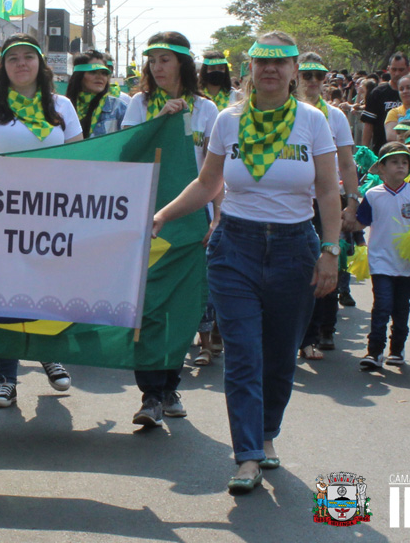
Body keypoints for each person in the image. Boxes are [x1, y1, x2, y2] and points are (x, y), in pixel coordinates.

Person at [150, 31, 340, 494]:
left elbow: (329, 190)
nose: (271, 71)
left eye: (281, 63)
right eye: (262, 63)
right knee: (242, 354)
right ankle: (248, 454)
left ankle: (267, 432)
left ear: (294, 70)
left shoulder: (313, 122)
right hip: (234, 246)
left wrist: (330, 251)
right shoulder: (229, 121)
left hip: (295, 249)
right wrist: (160, 216)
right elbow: (208, 182)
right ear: (249, 70)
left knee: (278, 357)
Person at [0, 33, 81, 408]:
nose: (22, 64)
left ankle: (48, 355)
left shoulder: (61, 106)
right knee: (1, 296)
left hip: (49, 216)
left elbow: (81, 159)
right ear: (4, 66)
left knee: (46, 290)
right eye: (14, 59)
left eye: (29, 57)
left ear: (41, 65)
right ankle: (5, 380)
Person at [121, 31, 220, 424]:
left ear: (183, 64)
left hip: (190, 221)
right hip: (144, 217)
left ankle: (170, 386)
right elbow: (126, 152)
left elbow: (215, 172)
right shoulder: (139, 104)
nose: (158, 67)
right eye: (153, 60)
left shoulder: (206, 110)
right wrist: (158, 122)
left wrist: (218, 215)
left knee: (181, 306)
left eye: (165, 59)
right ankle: (149, 395)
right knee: (145, 307)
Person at [296, 52, 360, 358]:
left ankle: (325, 328)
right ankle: (304, 335)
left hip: (327, 199)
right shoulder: (286, 113)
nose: (311, 82)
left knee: (329, 259)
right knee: (300, 269)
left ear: (326, 80)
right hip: (295, 199)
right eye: (306, 75)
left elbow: (347, 163)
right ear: (296, 77)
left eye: (318, 76)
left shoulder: (335, 116)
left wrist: (352, 202)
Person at [355, 143, 410, 369]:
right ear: (381, 168)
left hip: (407, 262)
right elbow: (359, 221)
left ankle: (396, 349)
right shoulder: (372, 195)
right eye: (394, 162)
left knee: (401, 308)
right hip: (380, 260)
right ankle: (374, 352)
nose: (400, 166)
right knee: (382, 305)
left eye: (404, 162)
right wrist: (344, 214)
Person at [64, 50, 128, 138]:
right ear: (79, 75)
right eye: (93, 72)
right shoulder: (62, 108)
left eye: (104, 73)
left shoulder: (119, 109)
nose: (100, 77)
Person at [361, 53, 408, 153]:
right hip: (382, 150)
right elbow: (368, 124)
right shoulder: (378, 92)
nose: (397, 73)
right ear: (389, 69)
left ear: (408, 69)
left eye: (401, 70)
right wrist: (364, 150)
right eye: (394, 69)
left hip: (407, 150)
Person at [384, 74, 410, 142]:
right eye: (401, 89)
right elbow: (390, 136)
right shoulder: (394, 112)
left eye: (409, 88)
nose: (405, 91)